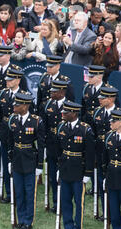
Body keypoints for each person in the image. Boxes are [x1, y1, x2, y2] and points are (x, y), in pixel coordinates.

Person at [56, 101, 95, 229]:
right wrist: (58, 169)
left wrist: (88, 173)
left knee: (79, 202)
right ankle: (68, 228)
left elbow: (90, 153)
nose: (63, 114)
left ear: (73, 113)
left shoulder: (85, 129)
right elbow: (59, 150)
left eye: (66, 112)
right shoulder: (61, 127)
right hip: (65, 168)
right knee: (65, 201)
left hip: (78, 170)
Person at [7, 92, 45, 229]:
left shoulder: (36, 121)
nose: (14, 106)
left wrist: (40, 164)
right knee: (19, 192)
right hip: (17, 158)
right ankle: (20, 218)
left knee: (29, 192)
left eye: (17, 104)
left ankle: (28, 221)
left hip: (30, 159)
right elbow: (10, 142)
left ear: (25, 106)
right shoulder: (12, 119)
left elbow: (41, 144)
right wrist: (10, 160)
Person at [93, 85, 121, 219]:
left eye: (103, 97)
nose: (100, 99)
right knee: (101, 182)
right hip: (100, 153)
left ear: (111, 99)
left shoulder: (120, 114)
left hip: (114, 155)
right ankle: (105, 211)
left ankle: (114, 212)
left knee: (114, 184)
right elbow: (94, 133)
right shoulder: (97, 112)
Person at [0, 67, 25, 203]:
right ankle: (9, 192)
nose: (7, 81)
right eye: (7, 78)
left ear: (18, 80)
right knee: (5, 161)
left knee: (17, 162)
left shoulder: (24, 96)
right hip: (5, 131)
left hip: (18, 133)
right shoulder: (3, 94)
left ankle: (18, 191)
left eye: (11, 79)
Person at [41, 79, 69, 213]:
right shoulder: (47, 105)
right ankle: (55, 202)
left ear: (62, 92)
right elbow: (43, 126)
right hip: (52, 144)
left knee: (63, 175)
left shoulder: (70, 106)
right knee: (52, 175)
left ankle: (64, 203)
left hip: (65, 146)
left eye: (54, 90)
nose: (51, 92)